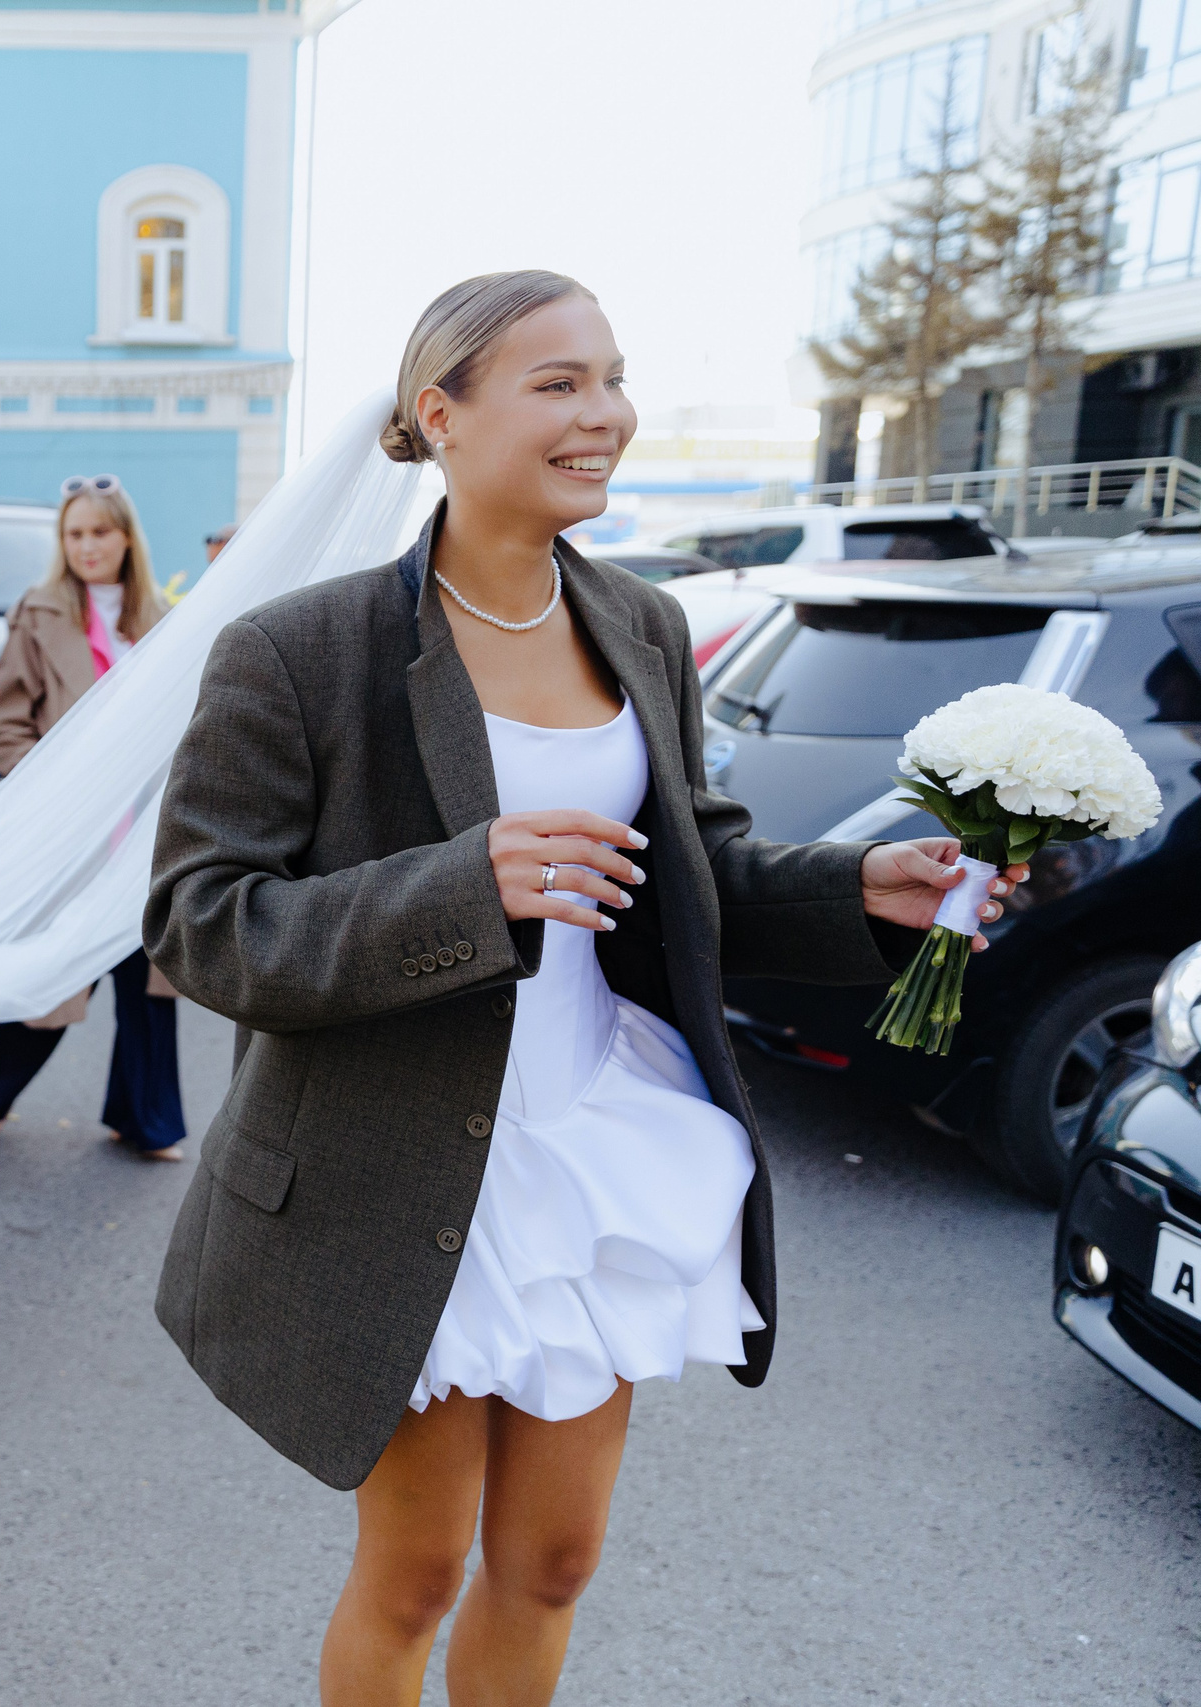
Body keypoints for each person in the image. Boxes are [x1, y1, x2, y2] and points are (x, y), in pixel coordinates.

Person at [142, 272, 1026, 1707]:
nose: (604, 412)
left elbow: (695, 863)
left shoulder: (646, 624)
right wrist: (458, 884)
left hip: (591, 1143)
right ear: (442, 414)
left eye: (612, 377)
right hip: (395, 1163)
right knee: (415, 1572)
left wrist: (861, 888)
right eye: (557, 382)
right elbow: (200, 926)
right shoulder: (301, 652)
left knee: (553, 1561)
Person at [0, 475, 182, 1161]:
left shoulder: (161, 617)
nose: (87, 546)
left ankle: (144, 1120)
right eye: (75, 534)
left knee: (149, 986)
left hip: (146, 836)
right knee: (59, 979)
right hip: (74, 836)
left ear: (126, 537)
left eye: (100, 532)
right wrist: (58, 793)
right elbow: (2, 724)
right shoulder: (39, 613)